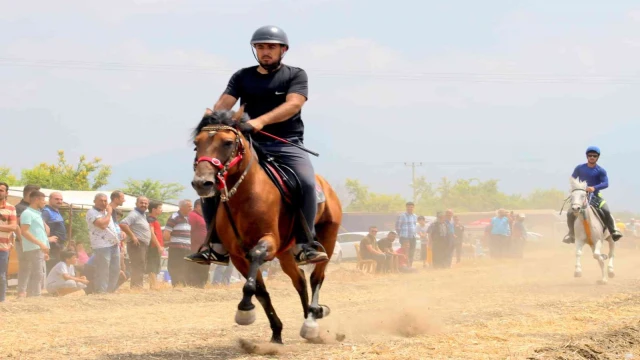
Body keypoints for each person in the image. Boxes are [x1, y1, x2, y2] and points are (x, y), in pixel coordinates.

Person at [186, 25, 327, 266]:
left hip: (287, 144)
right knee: (211, 180)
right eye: (260, 47)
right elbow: (223, 104)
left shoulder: (296, 75)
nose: (265, 52)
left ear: (283, 50)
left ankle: (306, 244)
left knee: (305, 182)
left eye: (271, 47)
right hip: (248, 144)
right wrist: (212, 121)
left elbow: (294, 104)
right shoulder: (242, 76)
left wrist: (260, 121)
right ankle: (215, 246)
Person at [563, 146, 623, 244]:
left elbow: (605, 183)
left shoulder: (600, 170)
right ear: (587, 156)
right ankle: (571, 234)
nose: (592, 157)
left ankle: (613, 232)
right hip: (580, 196)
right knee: (570, 213)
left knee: (606, 211)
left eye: (594, 156)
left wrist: (594, 188)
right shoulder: (579, 168)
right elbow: (572, 179)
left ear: (597, 157)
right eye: (590, 155)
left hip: (595, 196)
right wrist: (576, 188)